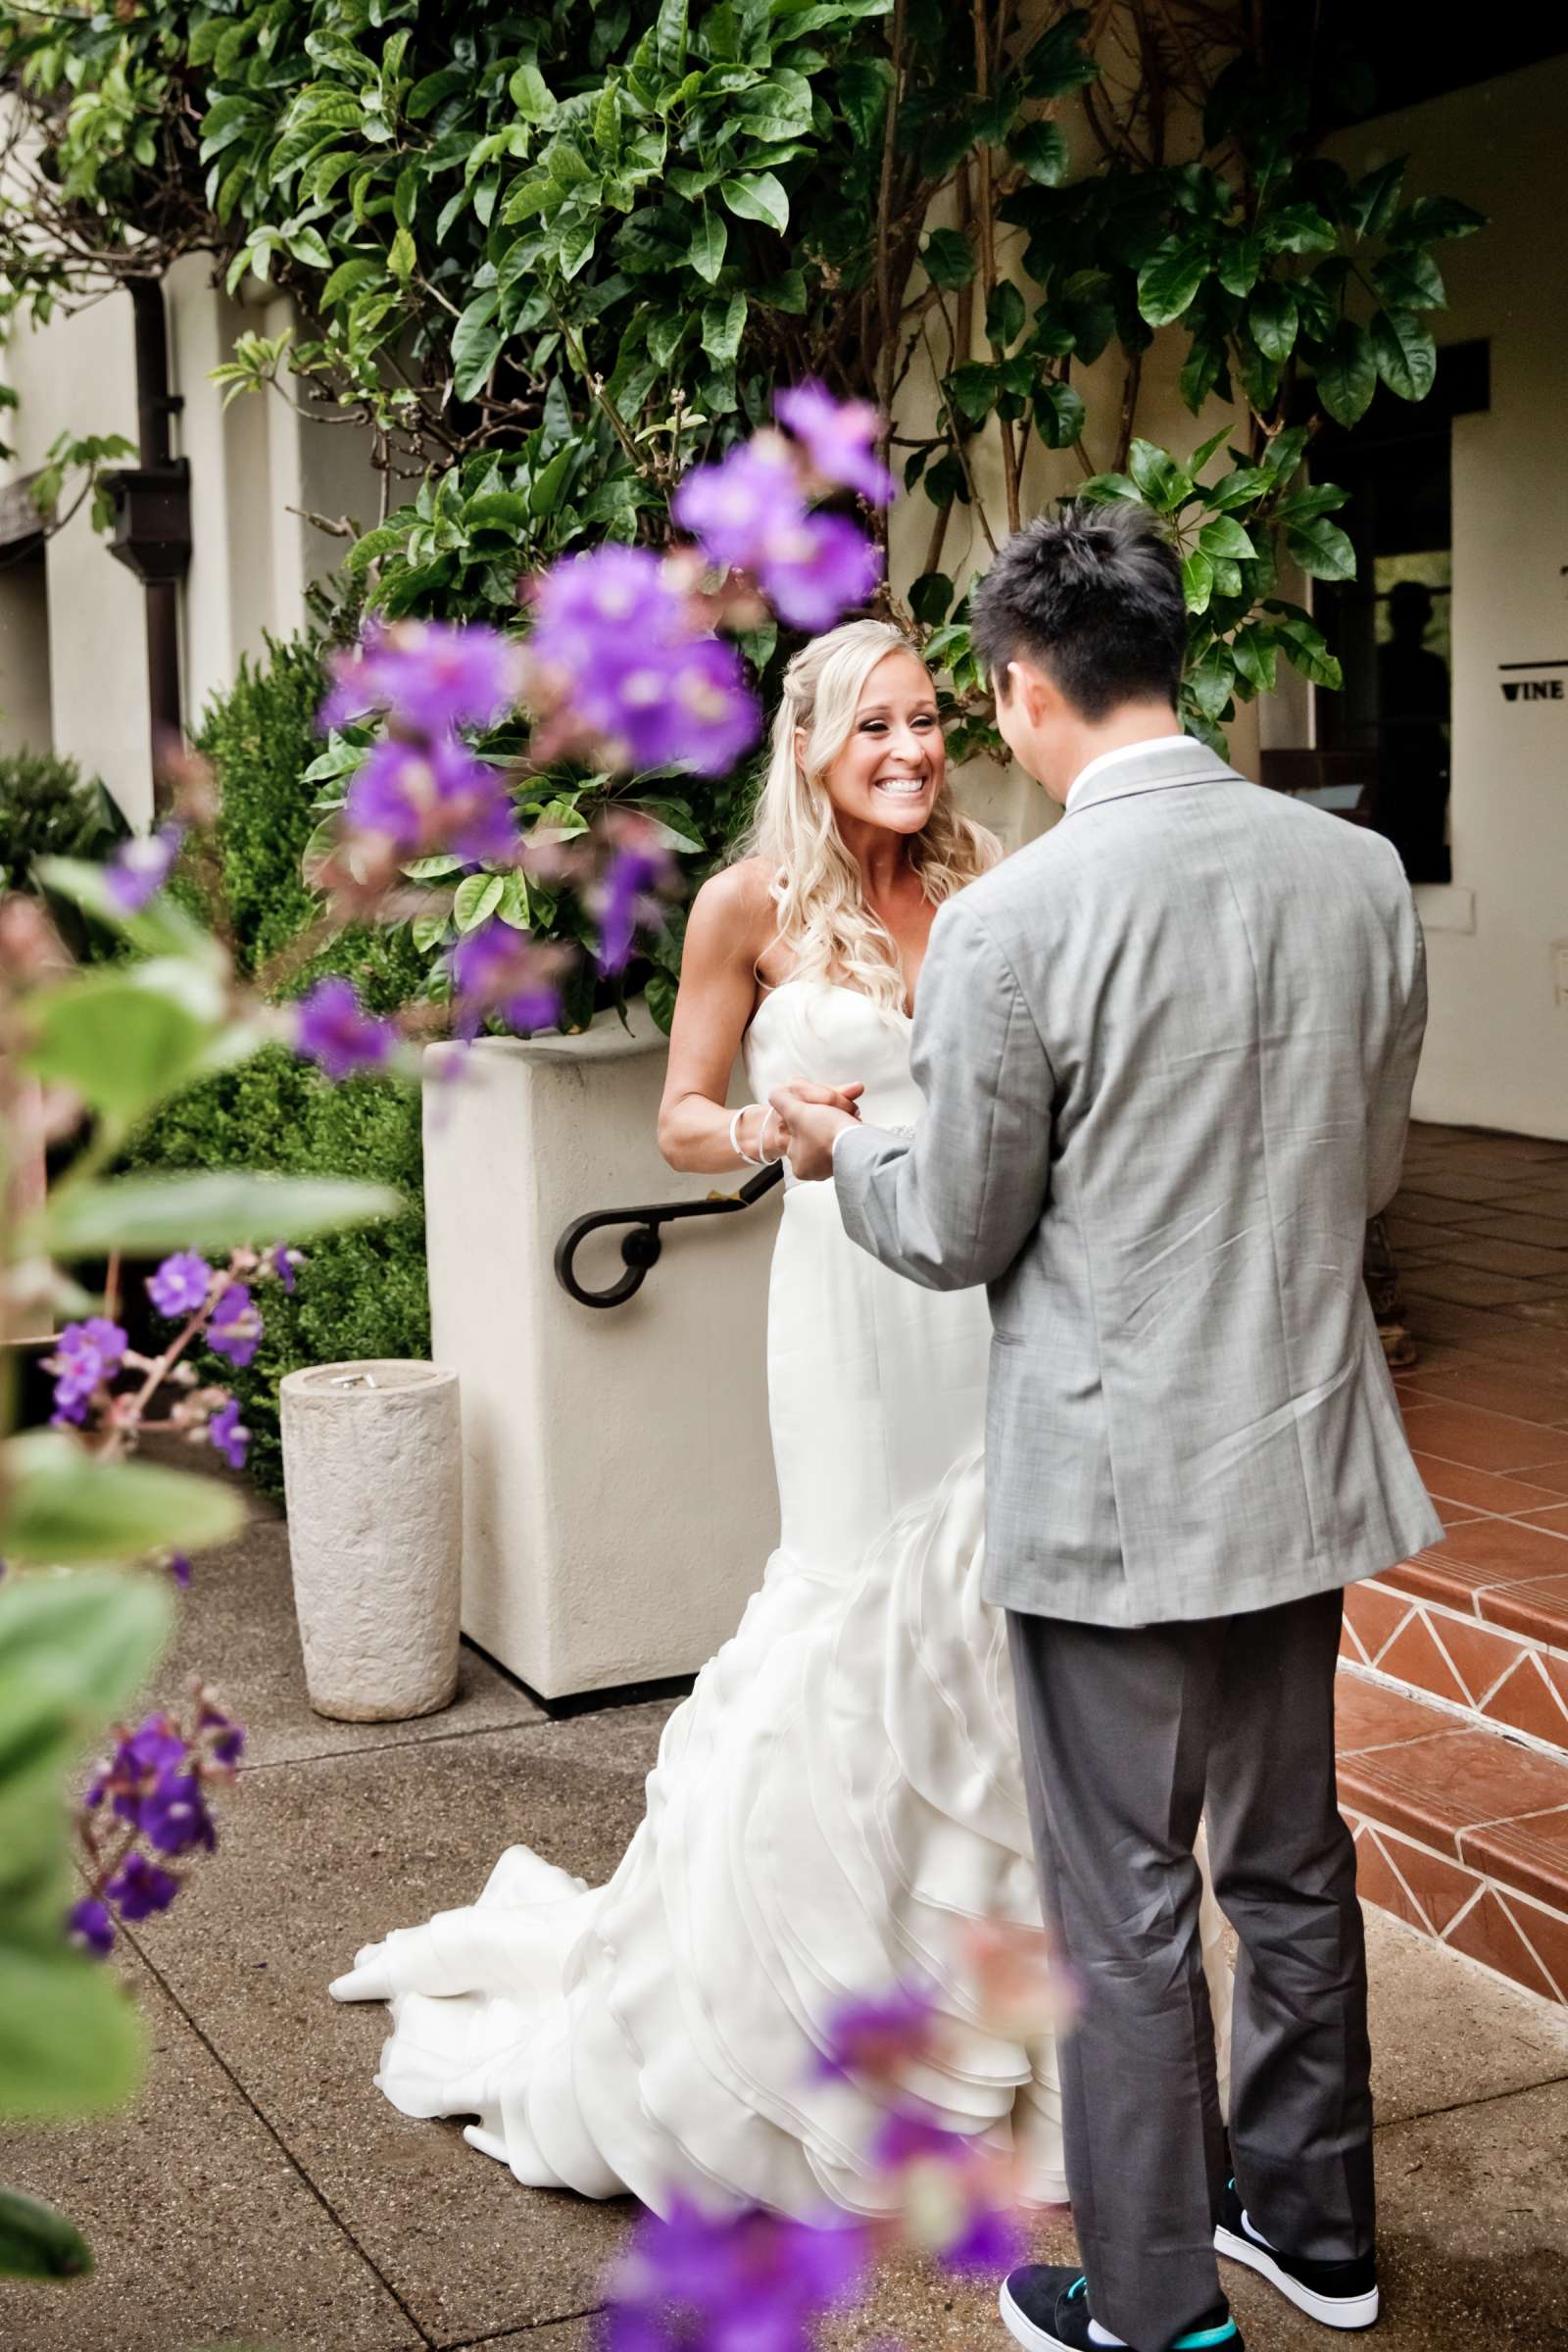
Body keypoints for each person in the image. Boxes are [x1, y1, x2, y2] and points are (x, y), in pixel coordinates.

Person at [330, 615, 1231, 2222]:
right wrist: (767, 1119)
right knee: (854, 1611)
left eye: (928, 720)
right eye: (872, 726)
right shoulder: (746, 907)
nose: (907, 749)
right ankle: (805, 2020)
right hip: (840, 1303)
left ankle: (998, 2025)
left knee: (985, 1625)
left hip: (980, 1291)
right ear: (809, 748)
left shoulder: (992, 886)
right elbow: (683, 1118)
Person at [771, 505, 1444, 2352]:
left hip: (1114, 1488)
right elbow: (1370, 1169)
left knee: (1130, 1904)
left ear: (1019, 689)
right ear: (1176, 661)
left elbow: (956, 1223)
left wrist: (850, 1154)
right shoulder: (1356, 875)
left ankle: (1153, 2310)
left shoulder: (1014, 917)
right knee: (1294, 1867)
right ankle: (1321, 2233)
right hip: (1301, 1453)